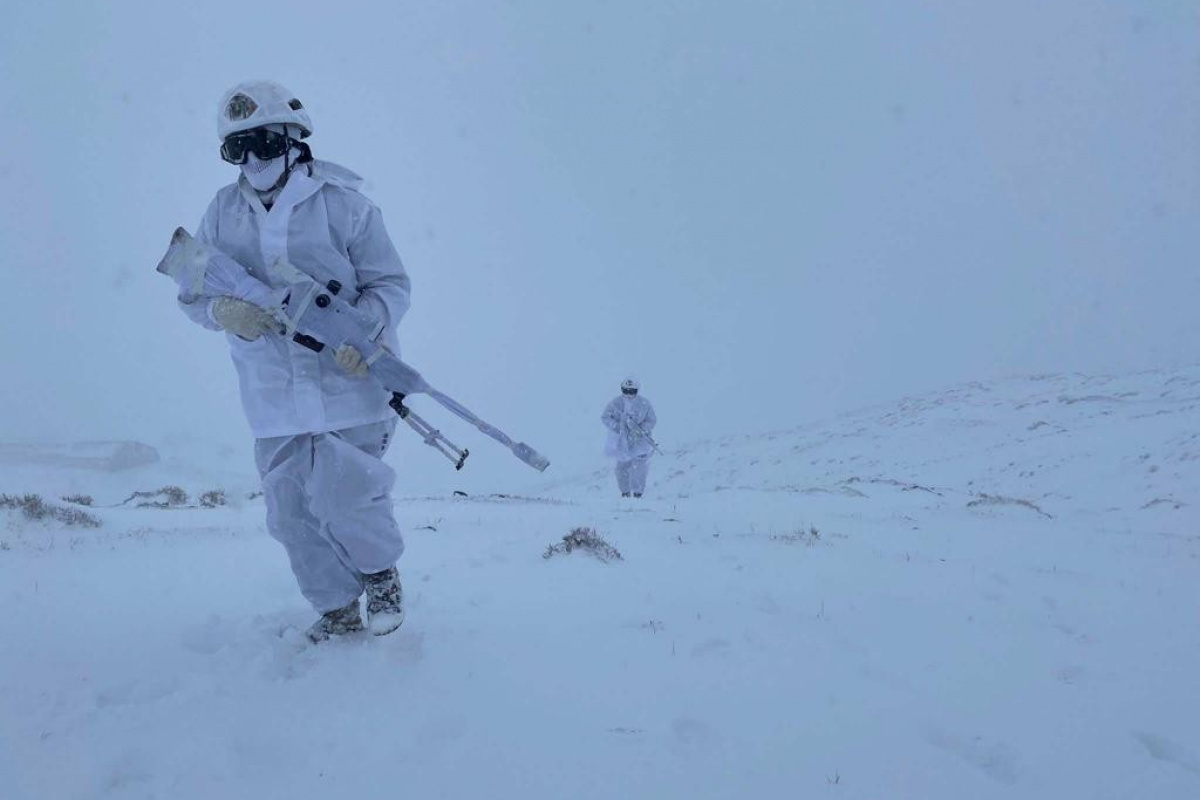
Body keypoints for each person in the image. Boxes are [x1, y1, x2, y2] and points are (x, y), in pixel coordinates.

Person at [175, 80, 410, 643]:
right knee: (289, 515)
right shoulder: (221, 212)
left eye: (262, 143)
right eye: (237, 149)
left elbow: (390, 285)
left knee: (345, 494)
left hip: (349, 379)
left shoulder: (345, 205)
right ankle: (337, 608)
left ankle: (380, 577)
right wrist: (224, 312)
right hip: (271, 391)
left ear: (292, 139)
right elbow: (192, 290)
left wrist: (366, 331)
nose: (252, 160)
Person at [601, 378, 658, 498]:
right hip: (622, 442)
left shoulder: (644, 404)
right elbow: (605, 417)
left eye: (631, 391)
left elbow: (652, 420)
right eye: (625, 390)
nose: (628, 394)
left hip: (640, 441)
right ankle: (625, 492)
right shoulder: (616, 403)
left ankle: (638, 493)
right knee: (621, 469)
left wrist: (641, 430)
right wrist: (617, 427)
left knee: (639, 469)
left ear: (636, 391)